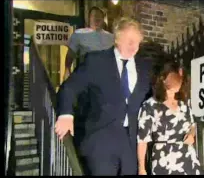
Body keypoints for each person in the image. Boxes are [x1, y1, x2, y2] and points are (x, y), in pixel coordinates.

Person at [54, 17, 152, 175]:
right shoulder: (96, 61)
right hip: (100, 141)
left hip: (131, 145)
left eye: (137, 42)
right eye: (129, 41)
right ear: (117, 39)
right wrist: (66, 114)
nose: (134, 47)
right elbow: (70, 87)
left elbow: (151, 100)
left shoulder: (145, 67)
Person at [137, 59, 204, 175]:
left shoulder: (183, 105)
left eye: (179, 81)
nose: (177, 85)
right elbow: (142, 140)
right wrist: (142, 168)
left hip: (188, 157)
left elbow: (193, 125)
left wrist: (191, 135)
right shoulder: (150, 106)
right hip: (164, 159)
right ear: (163, 79)